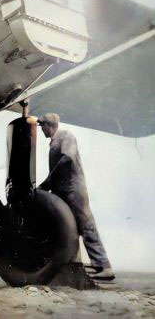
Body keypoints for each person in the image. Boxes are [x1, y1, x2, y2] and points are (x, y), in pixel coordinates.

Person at [37, 113, 115, 280]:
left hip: (73, 189)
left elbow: (68, 158)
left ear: (49, 125)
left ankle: (104, 266)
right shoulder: (53, 142)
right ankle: (73, 264)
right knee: (68, 227)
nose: (41, 129)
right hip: (61, 190)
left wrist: (48, 182)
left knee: (85, 224)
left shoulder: (65, 136)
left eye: (41, 125)